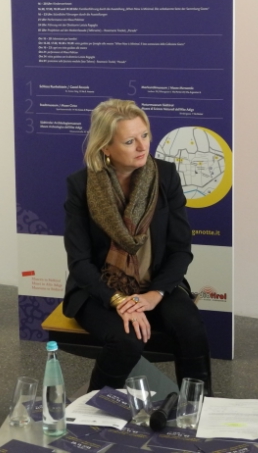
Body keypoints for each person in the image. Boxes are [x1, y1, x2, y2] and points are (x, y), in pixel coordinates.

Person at [63, 98, 211, 392]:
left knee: (190, 326)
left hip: (156, 283)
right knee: (127, 339)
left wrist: (155, 294)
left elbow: (180, 249)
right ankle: (95, 407)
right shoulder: (81, 185)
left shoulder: (165, 176)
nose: (143, 146)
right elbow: (79, 262)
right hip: (99, 290)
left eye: (145, 135)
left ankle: (198, 406)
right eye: (130, 141)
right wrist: (119, 301)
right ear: (106, 148)